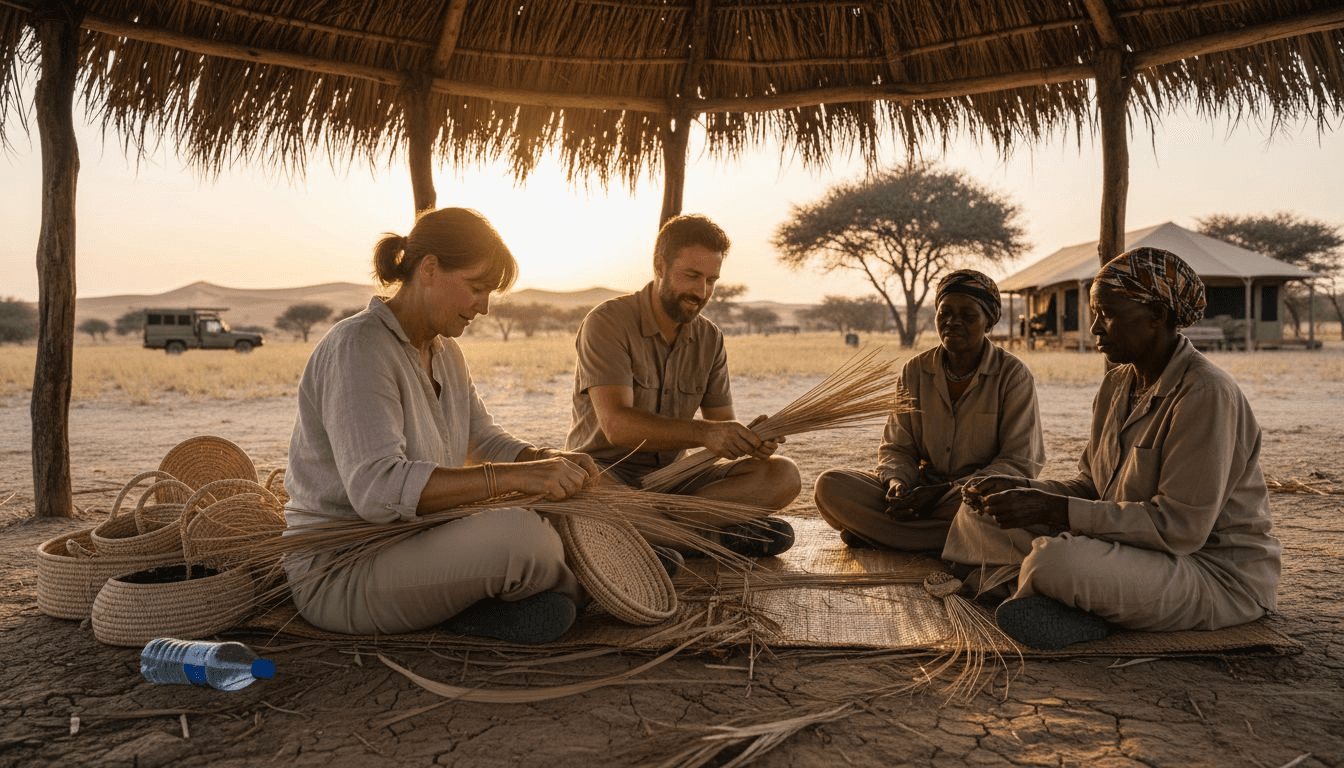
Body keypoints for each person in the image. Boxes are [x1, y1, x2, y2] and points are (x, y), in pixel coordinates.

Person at [283, 207, 601, 645]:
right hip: (345, 569)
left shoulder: (446, 352)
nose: (485, 307)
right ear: (429, 269)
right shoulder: (358, 347)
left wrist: (542, 459)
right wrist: (513, 477)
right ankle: (593, 587)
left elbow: (482, 439)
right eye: (476, 288)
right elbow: (378, 491)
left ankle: (498, 598)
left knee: (562, 506)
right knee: (522, 539)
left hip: (415, 542)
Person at [945, 247, 1282, 650]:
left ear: (1157, 316)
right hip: (1128, 550)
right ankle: (1065, 599)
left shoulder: (1205, 394)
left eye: (1108, 314)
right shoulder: (1116, 384)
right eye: (1095, 313)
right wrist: (1029, 495)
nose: (1095, 329)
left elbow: (1180, 528)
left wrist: (1052, 510)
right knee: (977, 512)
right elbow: (1093, 487)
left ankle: (1043, 590)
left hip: (1208, 571)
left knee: (1057, 561)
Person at [564, 214, 801, 556]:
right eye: (691, 277)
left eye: (711, 280)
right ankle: (712, 539)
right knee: (594, 495)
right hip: (605, 474)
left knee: (784, 475)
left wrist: (750, 439)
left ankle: (654, 537)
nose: (701, 292)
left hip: (676, 482)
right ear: (660, 265)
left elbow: (719, 425)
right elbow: (617, 426)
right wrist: (704, 434)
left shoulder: (710, 338)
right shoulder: (607, 322)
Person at [813, 270, 1045, 552]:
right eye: (944, 313)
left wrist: (945, 493)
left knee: (994, 508)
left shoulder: (1012, 375)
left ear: (989, 322)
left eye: (968, 316)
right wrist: (898, 483)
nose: (952, 322)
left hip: (968, 498)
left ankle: (886, 535)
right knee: (831, 486)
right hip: (920, 491)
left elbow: (1019, 463)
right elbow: (897, 447)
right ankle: (945, 542)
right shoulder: (915, 371)